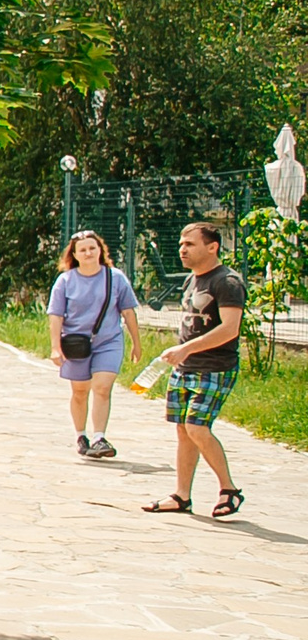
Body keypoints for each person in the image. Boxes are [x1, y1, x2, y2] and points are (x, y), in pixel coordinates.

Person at [145, 221, 246, 519]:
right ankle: (181, 495)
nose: (182, 249)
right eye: (181, 244)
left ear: (212, 247)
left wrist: (187, 348)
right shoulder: (192, 279)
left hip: (214, 368)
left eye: (189, 244)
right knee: (183, 431)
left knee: (197, 427)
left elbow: (230, 329)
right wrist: (179, 350)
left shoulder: (227, 282)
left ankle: (229, 490)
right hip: (185, 367)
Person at [46, 230, 139, 459]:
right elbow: (55, 315)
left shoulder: (115, 278)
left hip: (109, 341)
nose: (88, 253)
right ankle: (81, 435)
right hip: (76, 343)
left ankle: (99, 437)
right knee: (79, 391)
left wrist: (137, 343)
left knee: (102, 387)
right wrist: (55, 347)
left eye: (92, 248)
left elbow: (128, 311)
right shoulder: (66, 281)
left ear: (100, 250)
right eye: (83, 250)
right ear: (75, 255)